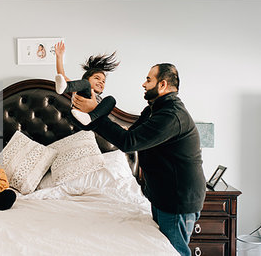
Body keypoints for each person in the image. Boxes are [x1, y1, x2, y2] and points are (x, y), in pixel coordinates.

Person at [73, 63, 206, 256]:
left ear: (162, 85)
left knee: (175, 251)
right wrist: (94, 114)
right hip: (161, 194)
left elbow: (129, 142)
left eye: (148, 80)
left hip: (178, 198)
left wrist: (95, 112)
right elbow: (132, 133)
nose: (143, 84)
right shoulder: (154, 110)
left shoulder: (171, 115)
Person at [54, 41, 120, 125]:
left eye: (103, 81)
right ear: (87, 78)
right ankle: (65, 87)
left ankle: (90, 117)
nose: (101, 82)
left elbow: (106, 119)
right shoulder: (79, 91)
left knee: (111, 99)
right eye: (97, 78)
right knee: (85, 84)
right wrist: (59, 57)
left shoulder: (101, 101)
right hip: (76, 116)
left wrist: (120, 127)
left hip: (91, 122)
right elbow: (62, 76)